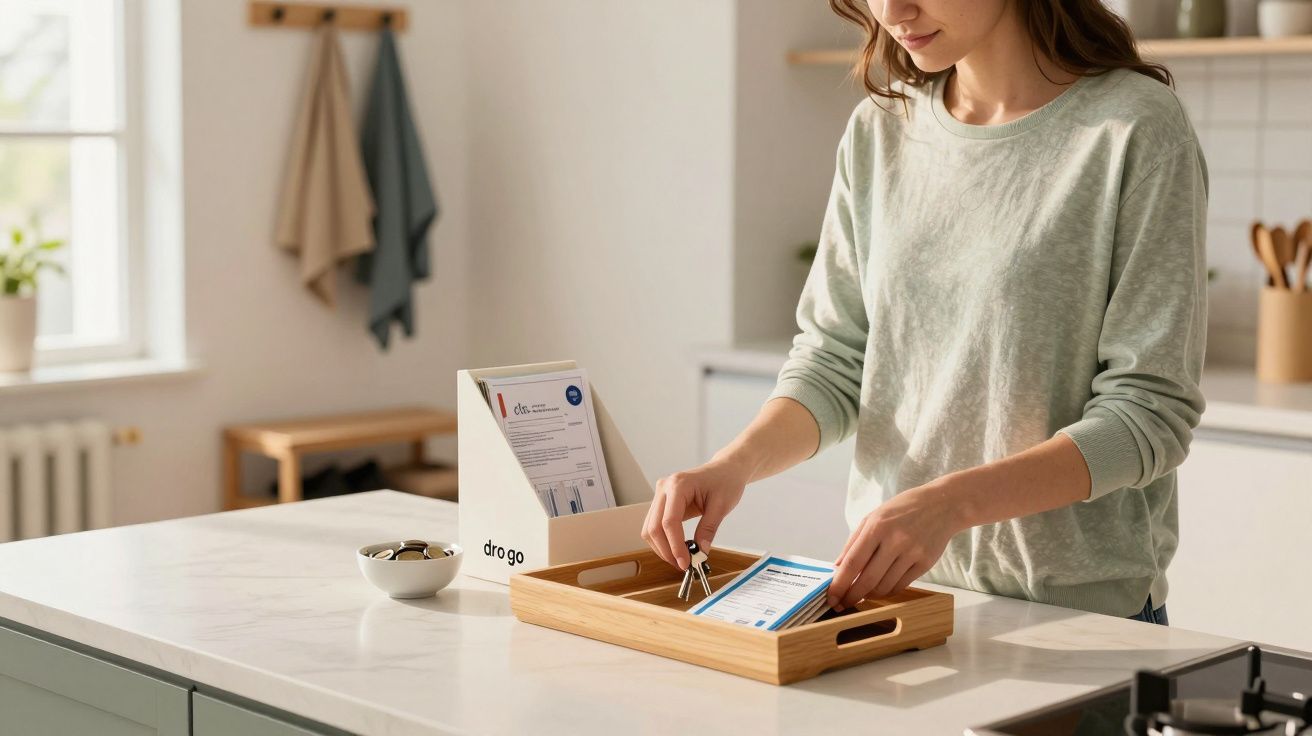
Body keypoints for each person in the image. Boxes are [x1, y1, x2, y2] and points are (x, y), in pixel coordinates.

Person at [641, 0, 1207, 626]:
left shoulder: (1134, 127)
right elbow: (835, 362)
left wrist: (951, 505)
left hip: (1079, 621)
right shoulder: (880, 129)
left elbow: (1147, 413)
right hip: (897, 601)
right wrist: (733, 465)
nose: (892, 11)